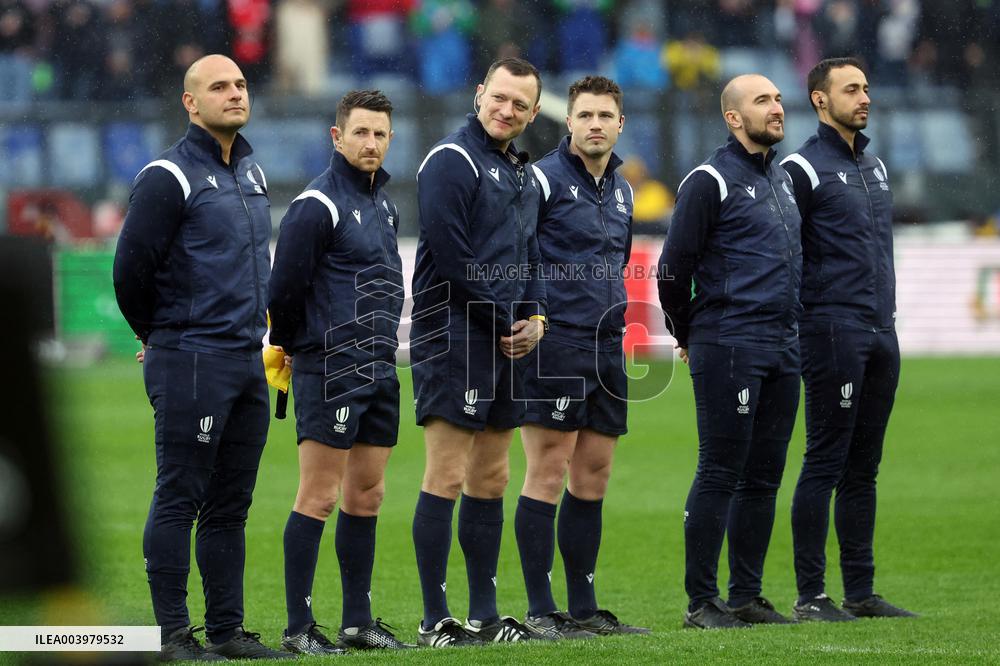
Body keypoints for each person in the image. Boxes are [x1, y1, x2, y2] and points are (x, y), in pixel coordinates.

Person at [112, 54, 292, 661]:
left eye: (240, 84)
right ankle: (172, 636)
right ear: (190, 102)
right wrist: (159, 333)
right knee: (179, 495)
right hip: (190, 357)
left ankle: (226, 632)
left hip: (245, 359)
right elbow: (129, 270)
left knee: (230, 506)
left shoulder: (252, 171)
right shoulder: (168, 175)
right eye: (219, 86)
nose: (235, 93)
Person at [267, 89, 412, 653]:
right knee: (319, 496)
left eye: (379, 134)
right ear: (337, 136)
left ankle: (357, 623)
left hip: (379, 366)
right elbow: (284, 288)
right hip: (331, 368)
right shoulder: (316, 204)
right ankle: (298, 628)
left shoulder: (385, 205)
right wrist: (292, 345)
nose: (370, 142)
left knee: (368, 495)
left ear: (390, 139)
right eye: (360, 132)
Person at [409, 56, 547, 647]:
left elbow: (531, 253)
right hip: (454, 335)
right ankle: (434, 618)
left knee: (491, 476)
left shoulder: (521, 172)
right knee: (446, 473)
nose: (507, 110)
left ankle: (484, 617)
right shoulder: (451, 160)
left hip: (504, 338)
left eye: (520, 104)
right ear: (479, 93)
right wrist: (504, 321)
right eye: (499, 98)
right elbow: (452, 256)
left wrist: (535, 317)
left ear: (533, 114)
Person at [657, 73, 802, 629]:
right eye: (763, 101)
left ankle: (746, 596)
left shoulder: (781, 179)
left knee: (764, 476)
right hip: (730, 341)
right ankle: (702, 601)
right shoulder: (709, 180)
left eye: (778, 99)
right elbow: (673, 270)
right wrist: (687, 334)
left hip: (782, 344)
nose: (777, 108)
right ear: (734, 117)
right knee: (720, 470)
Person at [780, 58, 917, 622]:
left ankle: (861, 591)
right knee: (825, 461)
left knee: (865, 467)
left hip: (882, 329)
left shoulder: (875, 165)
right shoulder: (800, 169)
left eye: (866, 88)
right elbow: (784, 251)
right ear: (820, 99)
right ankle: (811, 595)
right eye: (851, 89)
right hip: (831, 329)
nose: (865, 98)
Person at [515, 75, 650, 639]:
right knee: (547, 471)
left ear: (620, 124)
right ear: (568, 122)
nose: (596, 125)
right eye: (586, 115)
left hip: (607, 345)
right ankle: (541, 610)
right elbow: (520, 253)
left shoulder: (624, 189)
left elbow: (617, 260)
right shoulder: (541, 180)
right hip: (556, 344)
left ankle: (584, 608)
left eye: (606, 116)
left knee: (594, 475)